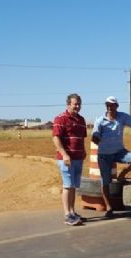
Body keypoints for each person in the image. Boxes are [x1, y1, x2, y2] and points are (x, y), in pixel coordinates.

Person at [92, 96, 131, 217]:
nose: (110, 107)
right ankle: (109, 207)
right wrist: (96, 138)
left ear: (116, 106)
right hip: (104, 155)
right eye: (108, 105)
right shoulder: (99, 120)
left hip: (119, 151)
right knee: (106, 182)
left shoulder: (122, 117)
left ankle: (122, 175)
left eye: (112, 105)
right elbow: (95, 135)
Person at [52, 93, 87, 226]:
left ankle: (72, 212)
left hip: (78, 158)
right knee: (67, 185)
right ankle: (67, 214)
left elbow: (82, 138)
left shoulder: (81, 120)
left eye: (79, 104)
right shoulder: (60, 119)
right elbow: (56, 138)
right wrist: (64, 154)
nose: (77, 106)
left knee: (73, 186)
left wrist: (83, 151)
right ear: (68, 105)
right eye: (74, 104)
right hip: (66, 159)